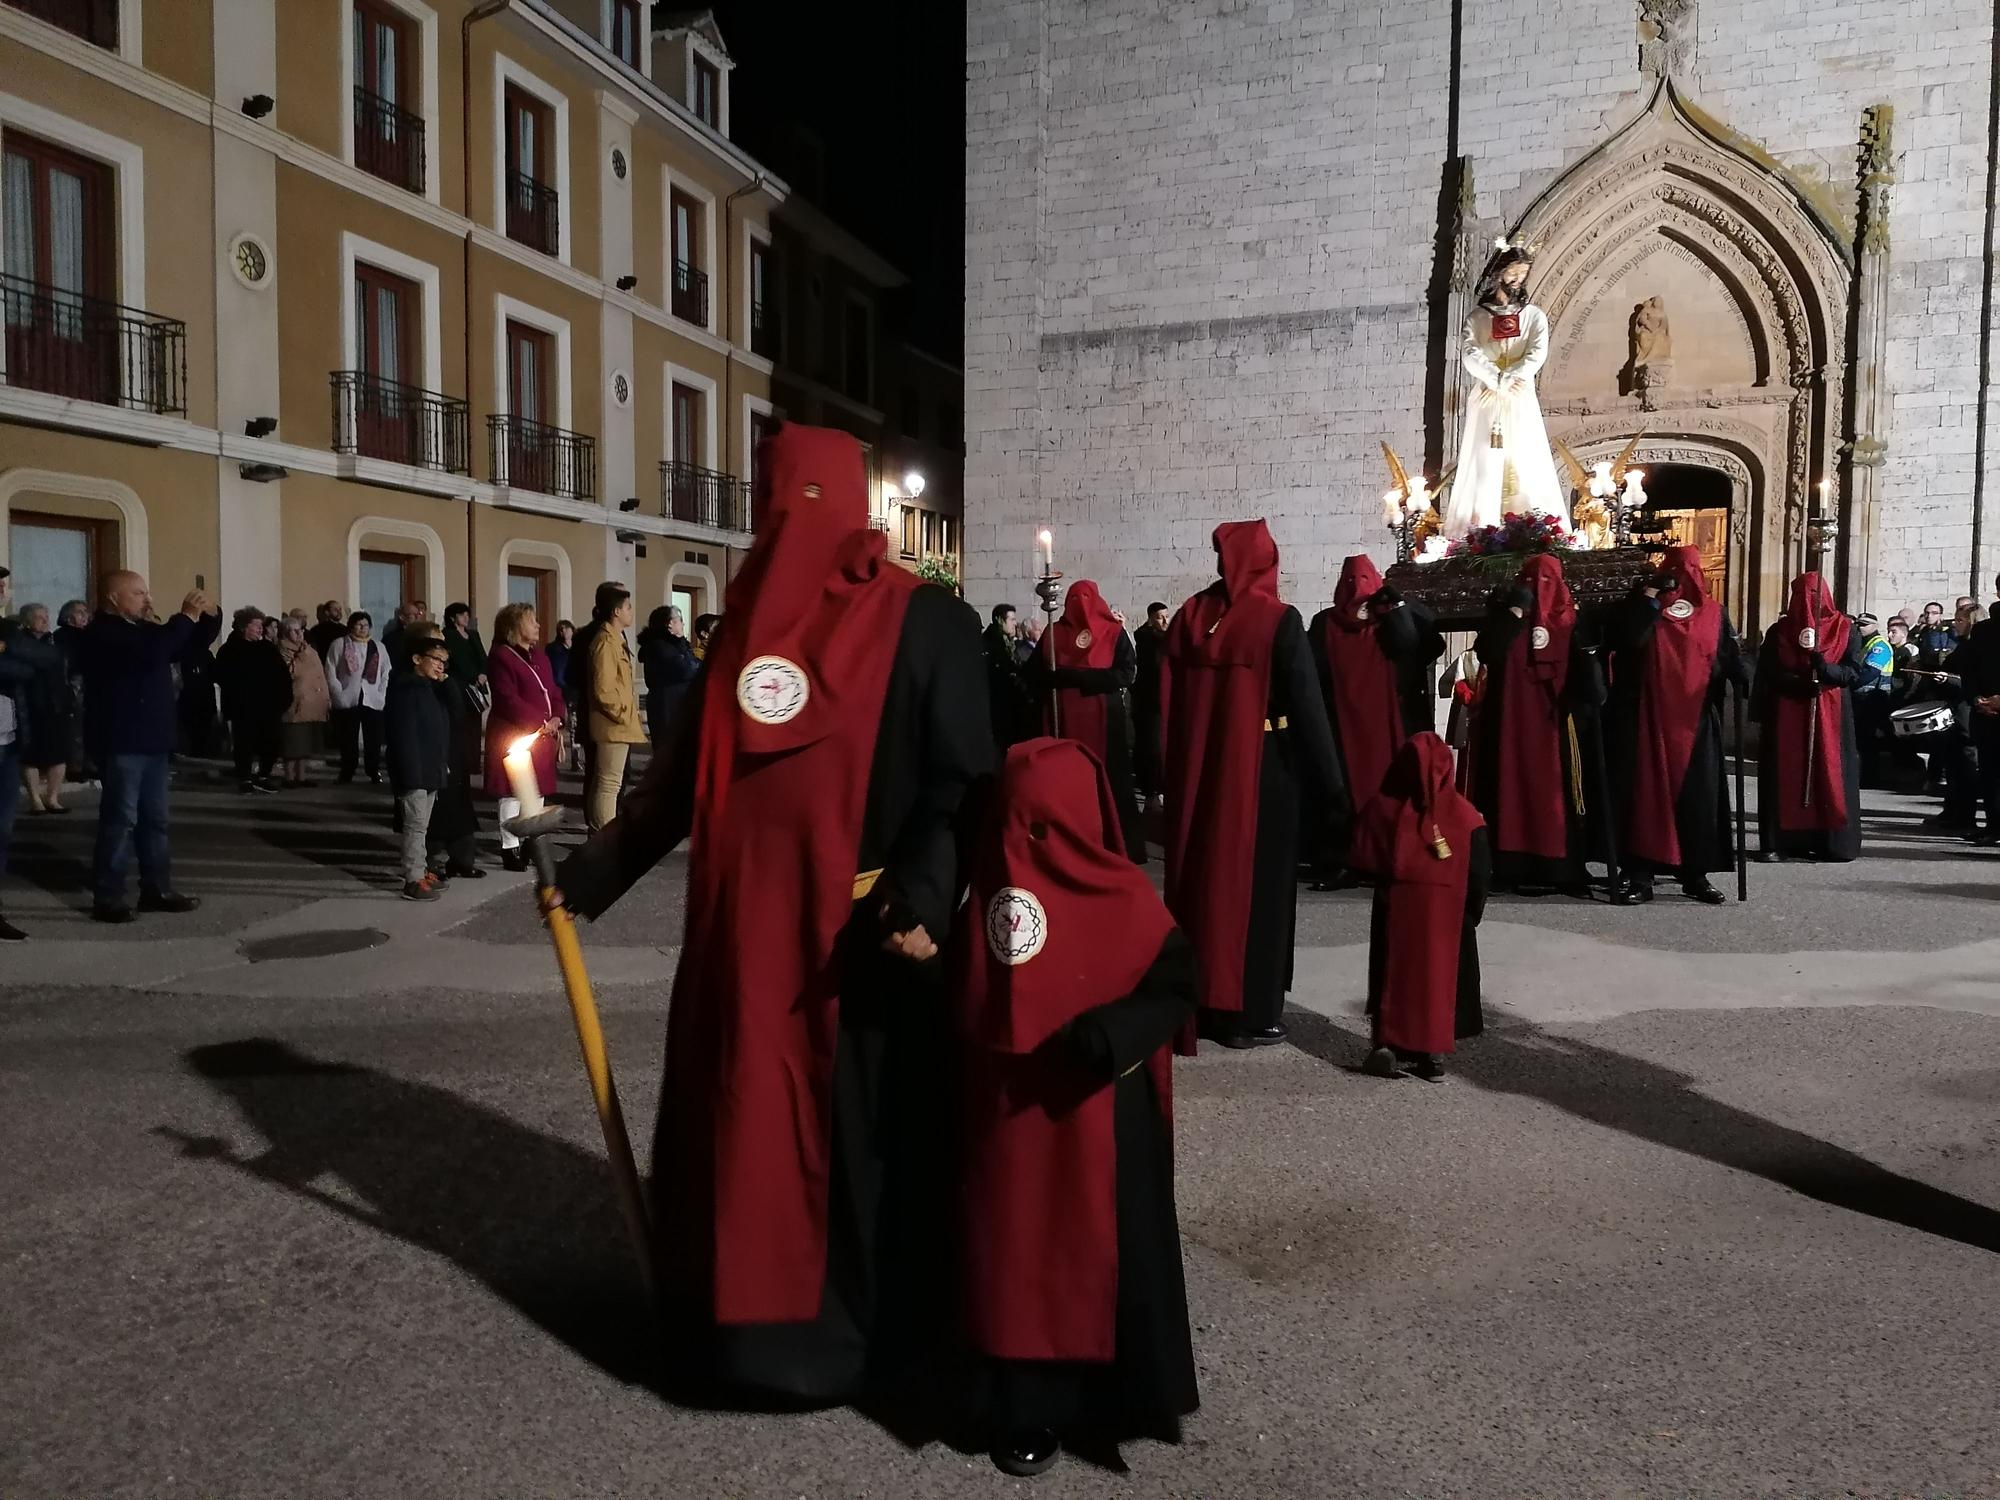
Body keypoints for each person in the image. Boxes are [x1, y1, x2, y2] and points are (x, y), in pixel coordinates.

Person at [551, 423, 994, 1406]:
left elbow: (960, 783)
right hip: (737, 954)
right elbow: (675, 787)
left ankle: (857, 1339)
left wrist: (921, 892)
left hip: (857, 952)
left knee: (853, 1151)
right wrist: (597, 868)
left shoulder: (926, 624)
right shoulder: (739, 628)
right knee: (735, 1134)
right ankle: (735, 1338)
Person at [954, 738, 1198, 1477]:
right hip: (1009, 1123)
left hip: (1100, 1108)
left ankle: (1106, 1396)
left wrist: (1109, 1034)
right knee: (1015, 1259)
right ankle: (1023, 1401)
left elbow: (1173, 981)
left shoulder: (1123, 895)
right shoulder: (984, 895)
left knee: (1099, 1251)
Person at [1163, 520, 1348, 1048]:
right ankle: (1249, 1012)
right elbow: (1309, 712)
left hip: (1201, 772)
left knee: (1203, 884)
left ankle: (1199, 1001)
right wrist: (1333, 792)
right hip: (1262, 773)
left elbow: (1165, 700)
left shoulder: (1188, 617)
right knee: (1259, 894)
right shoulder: (1278, 621)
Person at [1601, 546, 1745, 904]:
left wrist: (1741, 674)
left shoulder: (1714, 614)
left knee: (1698, 798)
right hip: (1645, 717)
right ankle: (1640, 874)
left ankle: (1695, 874)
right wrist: (1650, 596)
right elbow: (1628, 640)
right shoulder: (1645, 608)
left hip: (1694, 723)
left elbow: (1726, 655)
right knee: (1644, 796)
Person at [80, 571, 219, 922]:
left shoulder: (144, 629)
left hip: (154, 741)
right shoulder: (104, 632)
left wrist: (208, 615)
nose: (148, 599)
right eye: (139, 593)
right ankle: (108, 895)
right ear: (114, 597)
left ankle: (156, 888)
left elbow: (186, 644)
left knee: (155, 821)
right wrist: (184, 616)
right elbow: (154, 652)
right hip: (123, 740)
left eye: (147, 592)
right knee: (120, 820)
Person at [1349, 733, 1488, 1081]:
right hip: (1447, 920)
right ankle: (1432, 1054)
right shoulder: (1468, 818)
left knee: (1393, 976)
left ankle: (1388, 1045)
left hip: (1395, 911)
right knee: (1438, 981)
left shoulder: (1385, 809)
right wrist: (1471, 915)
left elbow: (1361, 858)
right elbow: (1480, 876)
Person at [1464, 555, 1606, 895]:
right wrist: (1514, 612)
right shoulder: (1505, 616)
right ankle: (1511, 865)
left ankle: (1559, 867)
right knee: (1508, 789)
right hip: (1508, 721)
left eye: (1546, 581)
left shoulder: (1571, 619)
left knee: (1554, 797)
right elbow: (1486, 650)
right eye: (1531, 581)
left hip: (1555, 724)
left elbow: (1590, 681)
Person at [1307, 555, 1446, 863]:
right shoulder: (1325, 624)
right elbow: (1315, 673)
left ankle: (1392, 852)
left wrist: (1396, 608)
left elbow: (1414, 645)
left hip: (1390, 722)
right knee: (1345, 793)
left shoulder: (1394, 616)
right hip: (1343, 724)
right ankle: (1346, 857)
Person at [1444, 241, 1568, 535]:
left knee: (1524, 452)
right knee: (1484, 455)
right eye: (1513, 273)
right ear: (1499, 273)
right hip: (1488, 395)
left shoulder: (1533, 316)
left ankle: (1528, 521)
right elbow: (1470, 352)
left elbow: (1537, 352)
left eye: (1522, 275)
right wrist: (1494, 379)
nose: (1517, 281)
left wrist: (1510, 377)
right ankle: (1481, 523)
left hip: (1518, 393)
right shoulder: (1478, 317)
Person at [1030, 580, 1145, 860]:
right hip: (1062, 719)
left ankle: (1113, 841)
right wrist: (1051, 678)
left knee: (1106, 779)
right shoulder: (1053, 632)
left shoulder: (1114, 633)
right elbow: (1033, 673)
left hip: (1103, 720)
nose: (1080, 604)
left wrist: (1078, 677)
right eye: (1074, 598)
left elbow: (1125, 674)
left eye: (1086, 597)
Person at [1753, 572, 1864, 863]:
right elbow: (1769, 672)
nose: (1807, 602)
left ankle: (1831, 841)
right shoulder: (1780, 632)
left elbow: (1853, 671)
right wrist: (1797, 683)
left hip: (1831, 712)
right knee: (1787, 772)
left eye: (1814, 595)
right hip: (1789, 709)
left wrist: (1825, 669)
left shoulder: (1845, 628)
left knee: (1828, 772)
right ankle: (1784, 841)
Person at [484, 601, 565, 872]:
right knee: (511, 792)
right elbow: (507, 698)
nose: (538, 626)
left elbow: (553, 691)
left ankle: (532, 840)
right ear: (515, 626)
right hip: (514, 733)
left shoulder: (540, 656)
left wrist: (557, 717)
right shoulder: (501, 656)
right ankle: (510, 846)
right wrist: (540, 722)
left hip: (543, 734)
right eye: (532, 621)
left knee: (536, 789)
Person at [386, 634, 460, 901]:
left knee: (423, 825)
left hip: (432, 767)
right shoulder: (406, 690)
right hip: (414, 771)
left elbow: (458, 710)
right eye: (435, 660)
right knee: (415, 825)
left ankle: (421, 869)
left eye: (444, 662)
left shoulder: (433, 688)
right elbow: (403, 737)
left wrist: (448, 682)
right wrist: (411, 774)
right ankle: (413, 878)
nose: (440, 666)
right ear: (417, 659)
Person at [581, 582, 644, 830]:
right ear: (616, 611)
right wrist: (622, 713)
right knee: (608, 784)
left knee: (609, 782)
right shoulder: (606, 642)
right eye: (627, 607)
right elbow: (604, 689)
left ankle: (603, 833)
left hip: (616, 724)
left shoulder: (614, 639)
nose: (631, 611)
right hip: (612, 725)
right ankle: (603, 835)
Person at [216, 609, 290, 794]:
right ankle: (245, 777)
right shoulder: (230, 650)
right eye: (256, 625)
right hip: (243, 708)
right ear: (244, 627)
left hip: (269, 707)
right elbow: (222, 676)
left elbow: (282, 675)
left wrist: (283, 698)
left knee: (272, 742)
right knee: (244, 744)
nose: (260, 629)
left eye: (261, 625)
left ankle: (264, 775)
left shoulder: (267, 649)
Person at [12, 604, 74, 815]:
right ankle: (35, 799)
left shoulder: (55, 641)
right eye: (39, 617)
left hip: (56, 705)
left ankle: (52, 797)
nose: (45, 620)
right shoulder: (20, 643)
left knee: (59, 752)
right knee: (31, 755)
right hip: (29, 704)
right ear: (27, 621)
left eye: (46, 616)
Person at [325, 611, 388, 784]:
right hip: (349, 697)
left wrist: (381, 694)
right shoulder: (340, 644)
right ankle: (347, 770)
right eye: (358, 625)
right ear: (351, 626)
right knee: (348, 738)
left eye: (365, 625)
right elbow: (331, 670)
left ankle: (373, 770)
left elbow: (385, 673)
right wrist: (338, 693)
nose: (362, 628)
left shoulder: (377, 647)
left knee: (373, 738)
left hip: (372, 698)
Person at [274, 615, 331, 787]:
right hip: (294, 703)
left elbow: (320, 675)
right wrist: (298, 656)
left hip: (311, 703)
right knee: (292, 744)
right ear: (285, 632)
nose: (300, 634)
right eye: (295, 631)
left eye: (301, 630)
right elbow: (287, 673)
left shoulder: (309, 650)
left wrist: (326, 698)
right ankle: (289, 776)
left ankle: (301, 776)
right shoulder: (282, 650)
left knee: (305, 743)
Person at [637, 605, 699, 752]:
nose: (683, 624)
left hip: (676, 701)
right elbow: (686, 669)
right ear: (670, 623)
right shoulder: (660, 646)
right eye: (680, 620)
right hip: (667, 704)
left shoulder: (676, 644)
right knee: (668, 749)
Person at [1130, 601, 1170, 801]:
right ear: (1151, 618)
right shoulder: (1145, 637)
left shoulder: (1163, 638)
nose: (1164, 621)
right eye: (1160, 617)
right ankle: (1150, 786)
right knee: (1150, 744)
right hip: (1148, 701)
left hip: (1160, 700)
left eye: (1166, 616)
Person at [983, 602, 1034, 749]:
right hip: (999, 706)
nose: (1015, 624)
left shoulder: (1008, 643)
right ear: (1000, 620)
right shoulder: (992, 644)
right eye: (1011, 619)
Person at [380, 599, 425, 664]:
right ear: (402, 618)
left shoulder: (425, 635)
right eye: (413, 615)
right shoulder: (392, 639)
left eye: (419, 614)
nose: (417, 617)